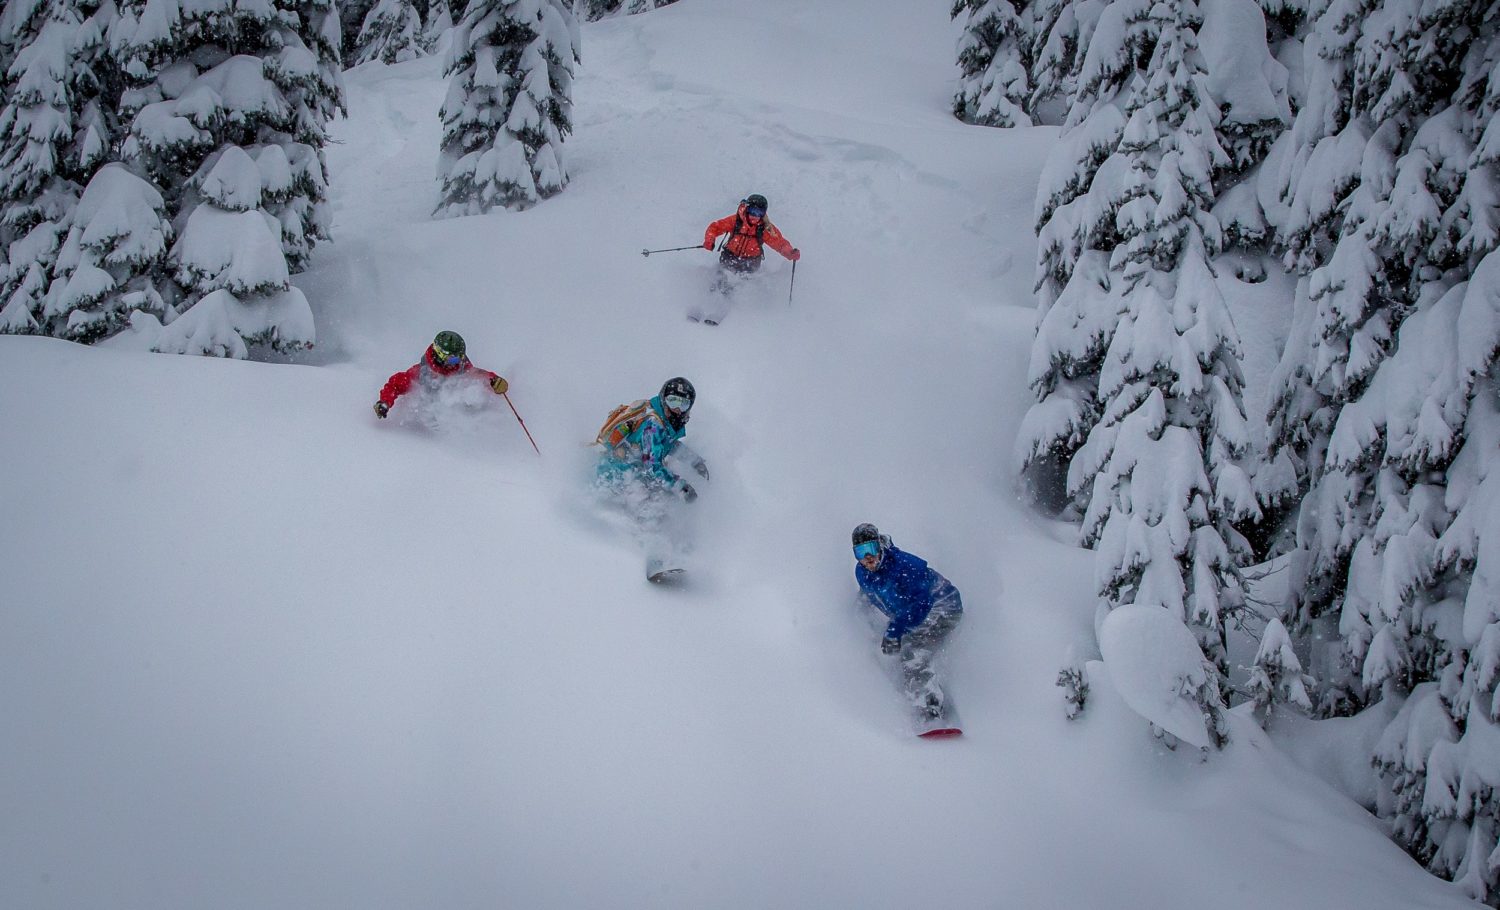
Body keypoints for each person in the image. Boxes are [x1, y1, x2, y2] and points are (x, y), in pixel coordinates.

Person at [594, 377, 710, 579]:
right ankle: (657, 561)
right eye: (673, 401)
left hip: (630, 469)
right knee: (652, 506)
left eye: (683, 404)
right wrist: (681, 487)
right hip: (619, 473)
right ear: (664, 398)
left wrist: (694, 461)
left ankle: (679, 552)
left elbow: (668, 444)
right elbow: (653, 467)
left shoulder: (662, 421)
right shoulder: (653, 425)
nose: (677, 409)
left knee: (664, 500)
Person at [852, 523, 964, 719]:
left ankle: (931, 707)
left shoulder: (903, 567)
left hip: (943, 607)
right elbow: (868, 594)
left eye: (871, 549)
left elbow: (922, 604)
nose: (867, 557)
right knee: (901, 643)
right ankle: (924, 685)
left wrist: (895, 631)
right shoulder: (862, 572)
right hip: (918, 613)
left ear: (880, 546)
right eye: (860, 552)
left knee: (913, 651)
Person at [694, 193, 801, 324]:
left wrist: (790, 252)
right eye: (752, 211)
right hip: (730, 257)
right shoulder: (736, 220)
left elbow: (780, 243)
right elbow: (715, 227)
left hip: (750, 263)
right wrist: (709, 240)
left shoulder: (765, 228)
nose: (755, 216)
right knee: (720, 278)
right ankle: (705, 302)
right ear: (747, 208)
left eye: (759, 212)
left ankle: (726, 306)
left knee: (738, 284)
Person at [373, 330, 508, 418]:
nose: (458, 362)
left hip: (456, 420)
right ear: (440, 356)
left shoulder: (463, 368)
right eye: (454, 359)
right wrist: (385, 402)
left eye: (460, 357)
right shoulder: (422, 373)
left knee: (474, 403)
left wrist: (495, 382)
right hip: (430, 421)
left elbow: (482, 377)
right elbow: (395, 385)